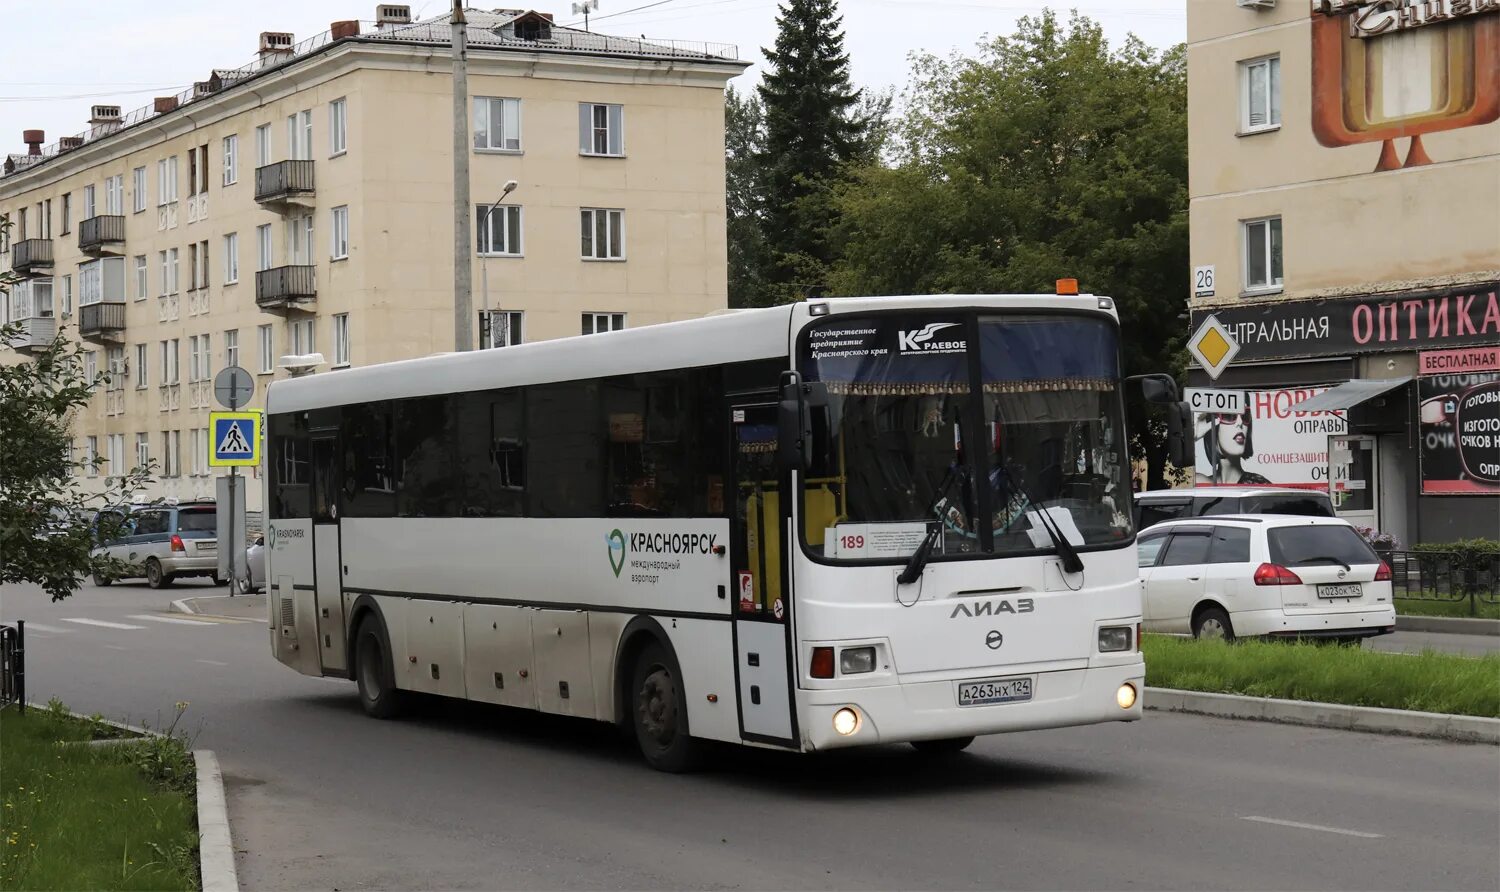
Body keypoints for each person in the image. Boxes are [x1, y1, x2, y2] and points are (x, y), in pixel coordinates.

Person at [1195, 411, 1270, 485]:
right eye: (1229, 416)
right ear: (1213, 426)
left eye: (1245, 416)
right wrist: (1191, 438)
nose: (1240, 422)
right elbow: (1183, 484)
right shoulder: (1198, 482)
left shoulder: (1258, 485)